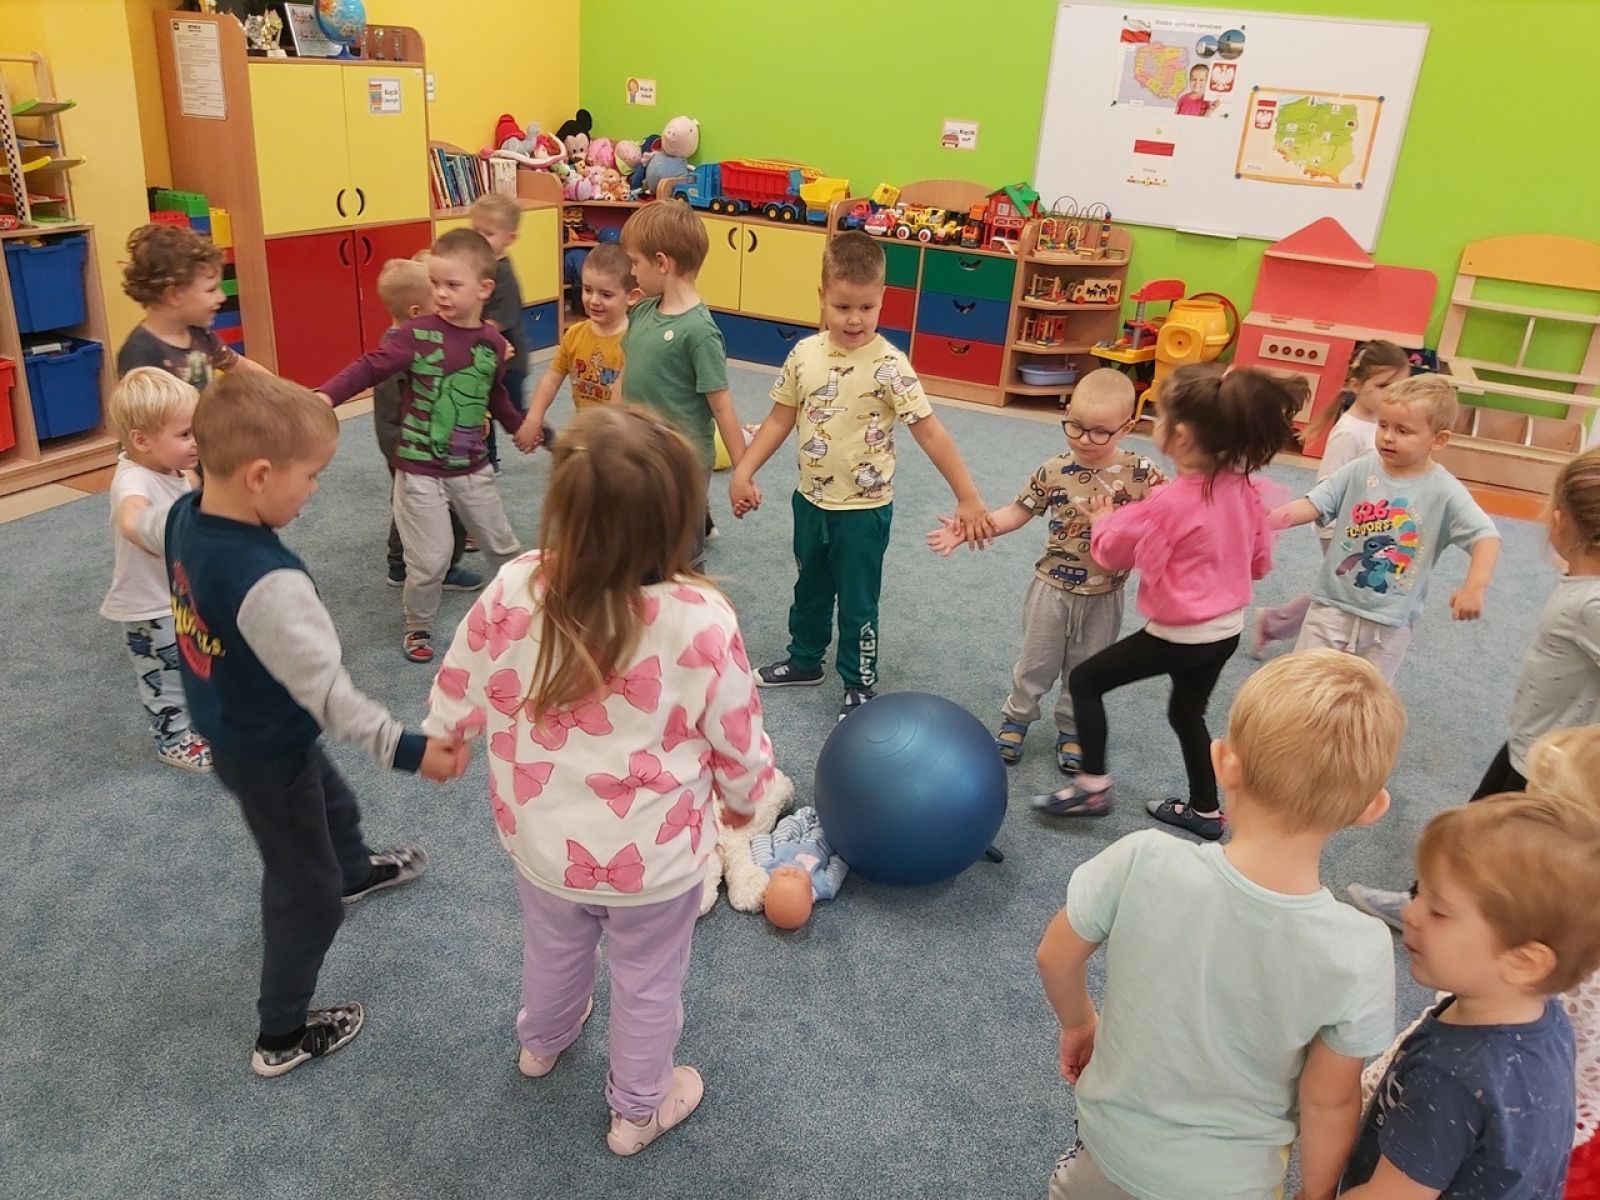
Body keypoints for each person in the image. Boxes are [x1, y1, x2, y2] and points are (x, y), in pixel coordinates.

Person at [425, 406, 777, 1157]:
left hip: (543, 843)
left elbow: (462, 673)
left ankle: (542, 1042)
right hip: (655, 861)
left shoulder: (515, 584)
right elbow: (739, 734)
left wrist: (446, 734)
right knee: (648, 981)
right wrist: (746, 805)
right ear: (679, 522)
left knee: (553, 947)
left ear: (563, 507)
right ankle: (638, 1111)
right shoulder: (701, 617)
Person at [130, 372, 461, 1077]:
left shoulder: (186, 514)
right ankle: (280, 1035)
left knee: (331, 804)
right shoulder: (271, 584)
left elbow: (146, 527)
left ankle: (353, 871)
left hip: (239, 722)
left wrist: (127, 511)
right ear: (258, 475)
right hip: (261, 745)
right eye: (310, 476)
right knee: (304, 895)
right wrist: (409, 749)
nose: (314, 491)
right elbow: (329, 696)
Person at [1036, 651, 1404, 1200]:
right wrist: (1316, 1194)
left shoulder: (1142, 859)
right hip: (1233, 1185)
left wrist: (1079, 1024)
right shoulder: (1361, 950)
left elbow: (1055, 956)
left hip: (1108, 1151)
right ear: (1371, 809)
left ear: (1222, 762)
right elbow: (1329, 1100)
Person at [729, 231, 993, 721]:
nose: (854, 319)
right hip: (810, 501)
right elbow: (780, 420)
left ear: (882, 299)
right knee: (809, 588)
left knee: (857, 601)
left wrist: (968, 496)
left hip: (864, 511)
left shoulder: (891, 366)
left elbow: (930, 433)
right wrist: (743, 469)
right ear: (822, 297)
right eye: (843, 306)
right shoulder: (804, 355)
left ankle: (859, 682)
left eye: (866, 308)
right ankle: (805, 660)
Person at [1033, 365, 1297, 839]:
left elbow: (1113, 553)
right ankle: (1206, 811)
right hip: (1226, 630)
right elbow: (1258, 562)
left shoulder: (1170, 502)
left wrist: (1104, 521)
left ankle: (1092, 786)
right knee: (1186, 712)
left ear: (1181, 435)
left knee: (1086, 680)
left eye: (1160, 416)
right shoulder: (1242, 488)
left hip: (1180, 635)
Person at [1348, 447, 1600, 927]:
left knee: (1500, 853)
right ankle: (1423, 902)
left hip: (1549, 764)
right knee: (1474, 827)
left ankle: (1454, 919)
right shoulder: (1584, 588)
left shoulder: (1590, 603)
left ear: (1561, 522)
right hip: (1533, 741)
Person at [1356, 725, 1600, 1200]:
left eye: (1439, 910)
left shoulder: (1452, 1077)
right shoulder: (1544, 1016)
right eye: (1419, 894)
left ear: (1524, 961)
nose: (1410, 914)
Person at [925, 368, 1164, 768]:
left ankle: (1072, 728)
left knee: (1086, 669)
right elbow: (1016, 512)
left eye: (1100, 432)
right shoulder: (1053, 470)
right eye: (1075, 426)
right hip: (1051, 587)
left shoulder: (1143, 473)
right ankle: (1016, 718)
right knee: (1036, 661)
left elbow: (1173, 514)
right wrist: (970, 529)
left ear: (1127, 427)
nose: (1084, 439)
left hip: (1105, 593)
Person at [317, 228, 527, 664]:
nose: (441, 293)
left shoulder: (491, 344)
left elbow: (494, 396)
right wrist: (327, 395)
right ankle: (418, 625)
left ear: (484, 288)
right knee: (429, 560)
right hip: (419, 470)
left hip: (472, 467)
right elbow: (370, 367)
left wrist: (518, 427)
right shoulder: (416, 334)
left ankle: (527, 609)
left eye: (452, 284)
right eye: (435, 284)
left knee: (505, 548)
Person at [1270, 374, 1501, 682]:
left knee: (1366, 694)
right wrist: (1263, 520)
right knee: (1302, 683)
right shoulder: (1360, 469)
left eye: (1403, 431)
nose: (1387, 437)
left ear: (1438, 440)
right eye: (1382, 425)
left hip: (1390, 622)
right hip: (1331, 605)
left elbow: (1486, 536)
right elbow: (1313, 503)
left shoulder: (1444, 490)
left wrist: (1474, 587)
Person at [1254, 341, 1411, 654]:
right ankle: (1283, 626)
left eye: (1400, 386)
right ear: (1356, 385)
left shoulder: (1384, 427)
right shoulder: (1349, 432)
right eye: (1383, 386)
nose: (1394, 394)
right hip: (1341, 529)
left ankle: (1275, 622)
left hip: (1373, 526)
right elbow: (1327, 486)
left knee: (1343, 585)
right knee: (1343, 587)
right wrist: (1332, 533)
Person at [617, 202, 747, 566]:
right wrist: (608, 428)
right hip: (640, 453)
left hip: (683, 464)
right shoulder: (643, 311)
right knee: (640, 539)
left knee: (681, 554)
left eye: (635, 262)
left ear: (661, 263)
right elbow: (626, 375)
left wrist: (743, 471)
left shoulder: (700, 332)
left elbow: (722, 406)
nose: (631, 272)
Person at [98, 367, 209, 772]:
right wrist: (148, 528)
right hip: (150, 605)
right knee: (164, 674)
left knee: (199, 660)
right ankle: (172, 739)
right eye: (185, 434)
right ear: (141, 441)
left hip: (182, 590)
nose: (197, 441)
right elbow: (132, 517)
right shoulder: (133, 481)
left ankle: (204, 720)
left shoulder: (178, 469)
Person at [370, 257, 479, 594]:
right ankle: (441, 568)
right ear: (417, 313)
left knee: (407, 502)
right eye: (437, 304)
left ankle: (399, 564)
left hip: (399, 442)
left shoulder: (398, 341)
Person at [116, 223, 266, 386]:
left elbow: (241, 368)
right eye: (211, 290)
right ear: (174, 295)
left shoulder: (199, 333)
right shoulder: (139, 353)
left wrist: (282, 393)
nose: (222, 297)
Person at [521, 243, 640, 447]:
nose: (594, 300)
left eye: (606, 294)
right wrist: (534, 416)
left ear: (631, 297)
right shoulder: (574, 335)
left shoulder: (634, 342)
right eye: (587, 290)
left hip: (621, 439)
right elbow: (551, 379)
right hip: (585, 431)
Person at [470, 193, 528, 471]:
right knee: (480, 409)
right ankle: (489, 461)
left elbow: (498, 322)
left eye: (489, 233)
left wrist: (465, 333)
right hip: (481, 359)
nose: (479, 239)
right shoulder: (476, 266)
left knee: (513, 415)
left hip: (508, 362)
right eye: (476, 231)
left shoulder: (503, 274)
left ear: (510, 238)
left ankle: (548, 439)